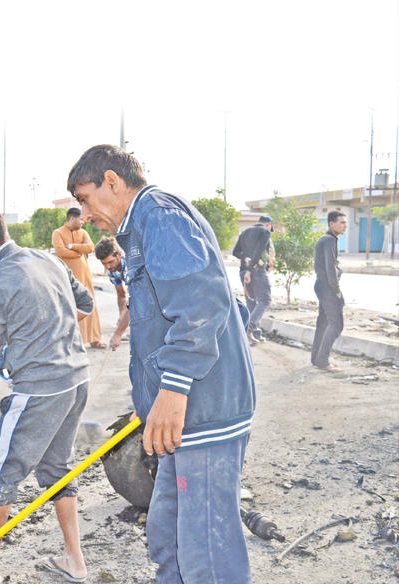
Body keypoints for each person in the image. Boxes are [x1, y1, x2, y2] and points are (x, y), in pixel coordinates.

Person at [67, 144, 255, 584]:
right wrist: (150, 399)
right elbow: (157, 323)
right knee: (168, 535)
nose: (86, 214)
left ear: (111, 181)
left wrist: (171, 390)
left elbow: (199, 306)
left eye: (85, 198)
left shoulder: (161, 217)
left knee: (206, 551)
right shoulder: (140, 227)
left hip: (202, 410)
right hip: (176, 414)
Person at [0, 205, 94, 584]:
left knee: (0, 473)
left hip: (39, 390)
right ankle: (74, 561)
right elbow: (85, 304)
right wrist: (49, 332)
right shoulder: (46, 260)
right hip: (77, 379)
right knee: (56, 468)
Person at [52, 207, 105, 348]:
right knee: (70, 305)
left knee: (90, 302)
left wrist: (73, 246)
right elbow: (60, 251)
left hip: (85, 275)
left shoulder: (83, 232)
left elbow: (90, 247)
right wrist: (78, 253)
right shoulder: (57, 233)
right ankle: (73, 341)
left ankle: (94, 338)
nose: (82, 222)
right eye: (80, 219)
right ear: (72, 218)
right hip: (67, 277)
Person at [311, 211, 348, 372]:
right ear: (331, 224)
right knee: (336, 324)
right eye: (341, 222)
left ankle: (317, 358)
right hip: (327, 287)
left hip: (322, 285)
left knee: (324, 323)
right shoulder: (329, 240)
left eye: (346, 222)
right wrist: (337, 290)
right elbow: (330, 268)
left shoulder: (328, 239)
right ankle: (322, 361)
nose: (345, 225)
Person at [232, 215, 274, 344]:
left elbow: (235, 252)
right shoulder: (265, 232)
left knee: (251, 302)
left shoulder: (245, 232)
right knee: (265, 300)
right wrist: (250, 270)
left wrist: (245, 258)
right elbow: (259, 250)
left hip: (243, 271)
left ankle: (255, 334)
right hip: (255, 271)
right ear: (268, 224)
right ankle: (248, 329)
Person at [94, 237, 130, 351]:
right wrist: (122, 315)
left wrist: (118, 333)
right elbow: (121, 294)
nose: (108, 267)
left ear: (119, 254)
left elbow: (135, 301)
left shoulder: (132, 265)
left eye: (110, 262)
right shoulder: (112, 270)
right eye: (104, 264)